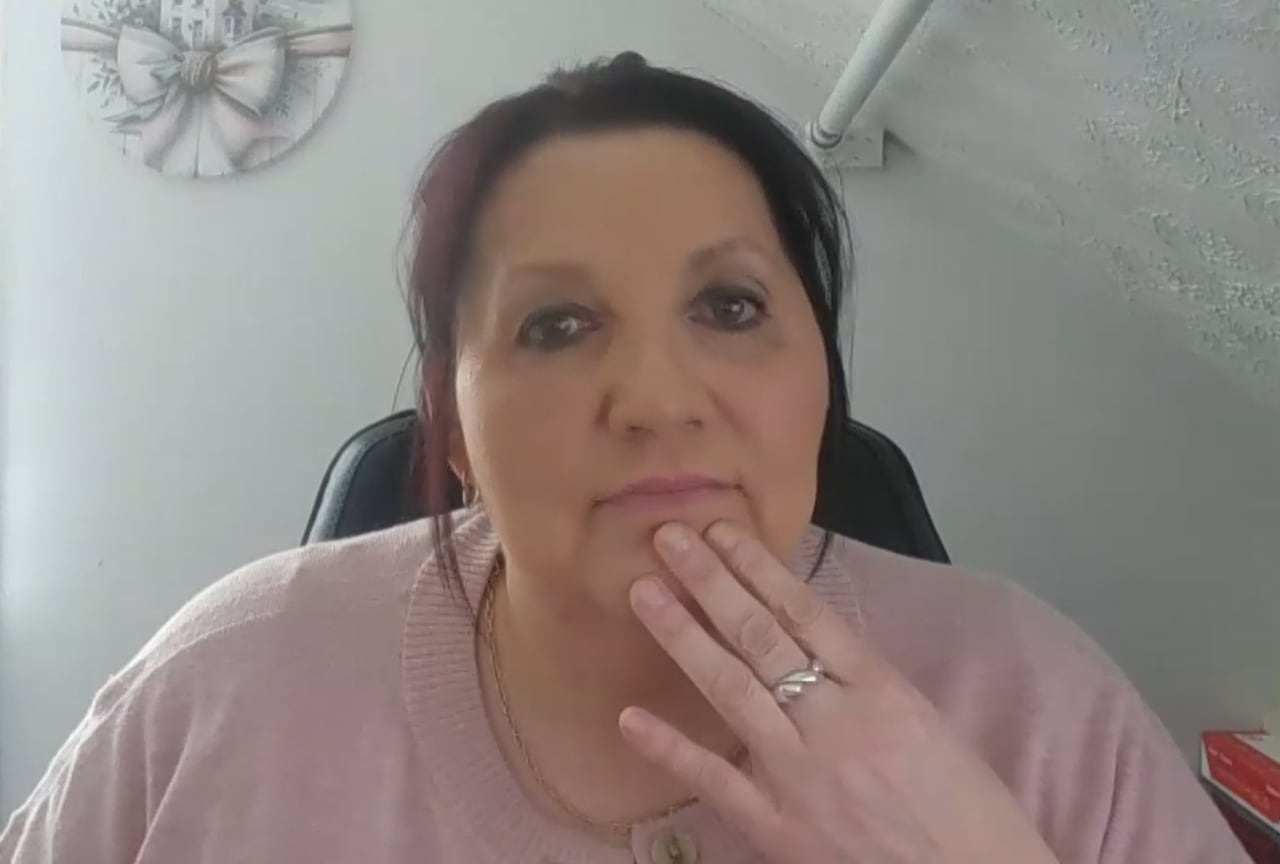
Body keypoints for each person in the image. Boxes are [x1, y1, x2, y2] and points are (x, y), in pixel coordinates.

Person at [1, 53, 1246, 864]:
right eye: (555, 325)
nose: (654, 398)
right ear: (452, 425)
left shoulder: (1032, 703)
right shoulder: (224, 687)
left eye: (730, 307)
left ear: (820, 372)